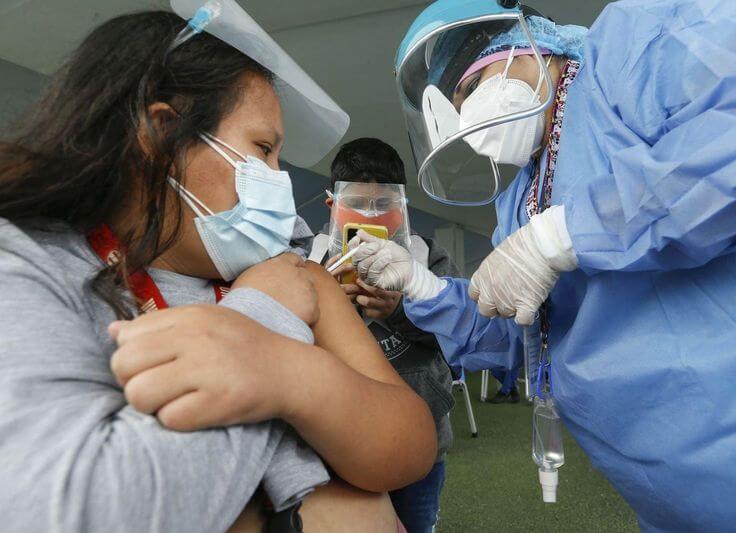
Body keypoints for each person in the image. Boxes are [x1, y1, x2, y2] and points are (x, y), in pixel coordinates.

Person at [350, 0, 736, 530]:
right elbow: (520, 332)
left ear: (529, 44)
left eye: (470, 89)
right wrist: (422, 286)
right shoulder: (517, 201)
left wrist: (568, 233)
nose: (468, 117)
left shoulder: (634, 49)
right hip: (668, 496)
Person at [0, 5, 437, 532]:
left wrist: (290, 375)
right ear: (163, 136)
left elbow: (411, 442)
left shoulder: (291, 272)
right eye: (262, 150)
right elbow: (65, 509)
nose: (278, 180)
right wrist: (261, 323)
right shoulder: (30, 266)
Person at [307, 138, 458, 533]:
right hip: (333, 440)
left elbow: (458, 336)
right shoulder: (308, 260)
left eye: (384, 204)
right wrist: (328, 304)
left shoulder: (429, 257)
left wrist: (400, 312)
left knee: (416, 524)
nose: (370, 214)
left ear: (403, 207)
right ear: (332, 205)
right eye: (357, 202)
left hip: (420, 444)